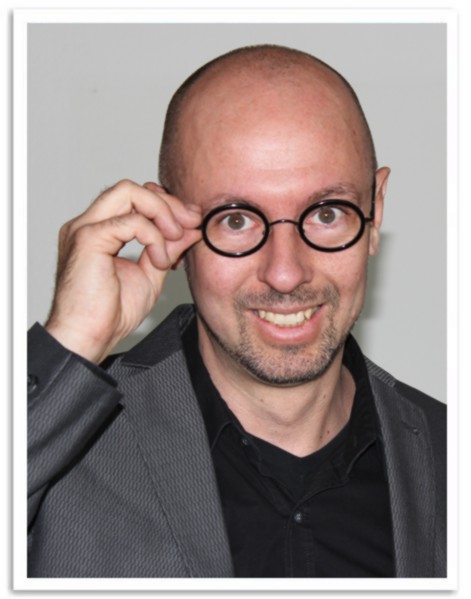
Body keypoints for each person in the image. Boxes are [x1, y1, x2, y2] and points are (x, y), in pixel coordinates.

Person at [27, 44, 446, 578]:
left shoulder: (448, 456)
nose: (286, 273)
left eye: (326, 213)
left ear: (375, 210)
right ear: (166, 225)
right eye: (236, 220)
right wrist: (70, 341)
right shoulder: (54, 448)